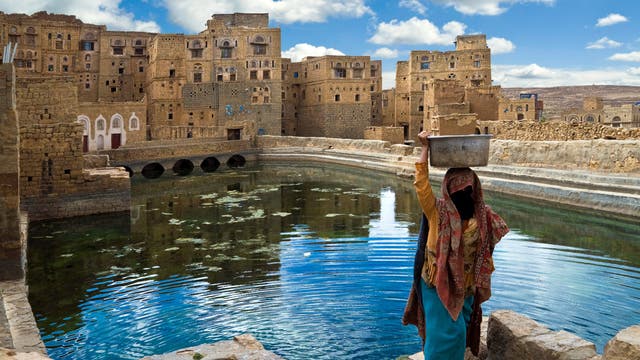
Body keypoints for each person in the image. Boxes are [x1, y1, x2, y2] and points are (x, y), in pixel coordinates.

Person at [402, 131, 509, 359]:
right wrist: (425, 148)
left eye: (468, 190)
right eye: (459, 191)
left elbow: (495, 236)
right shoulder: (437, 212)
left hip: (467, 288)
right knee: (448, 336)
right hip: (437, 285)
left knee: (459, 336)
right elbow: (421, 183)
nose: (464, 195)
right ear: (449, 192)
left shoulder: (483, 216)